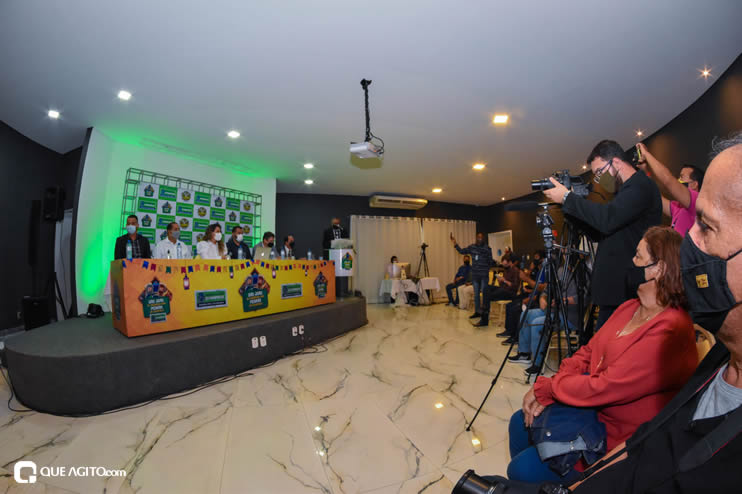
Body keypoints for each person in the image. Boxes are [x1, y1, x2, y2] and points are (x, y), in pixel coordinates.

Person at [565, 132, 742, 493]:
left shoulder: (670, 329)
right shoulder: (718, 361)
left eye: (706, 226)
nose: (688, 243)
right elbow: (650, 439)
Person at [505, 226, 697, 485]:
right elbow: (587, 352)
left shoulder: (672, 328)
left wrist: (550, 388)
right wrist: (556, 385)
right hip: (589, 414)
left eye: (638, 256)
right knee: (519, 423)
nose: (631, 262)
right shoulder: (629, 307)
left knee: (520, 470)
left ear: (658, 269)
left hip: (616, 441)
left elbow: (606, 386)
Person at [543, 139, 662, 331]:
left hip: (627, 290)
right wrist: (569, 209)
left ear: (616, 162)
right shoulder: (624, 193)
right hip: (615, 291)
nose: (599, 179)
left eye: (599, 172)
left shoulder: (640, 186)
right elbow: (600, 232)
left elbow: (607, 219)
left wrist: (567, 197)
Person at [508, 266, 580, 376]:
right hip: (554, 310)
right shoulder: (560, 270)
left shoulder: (582, 272)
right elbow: (547, 289)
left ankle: (538, 364)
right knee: (526, 314)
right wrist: (543, 297)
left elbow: (586, 297)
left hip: (569, 316)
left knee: (537, 323)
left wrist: (564, 301)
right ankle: (524, 353)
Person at [636, 142, 704, 236]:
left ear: (694, 184)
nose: (678, 180)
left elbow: (667, 180)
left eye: (682, 177)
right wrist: (645, 171)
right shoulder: (677, 208)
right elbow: (655, 196)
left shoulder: (698, 202)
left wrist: (646, 154)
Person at [451, 232, 493, 319]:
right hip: (475, 276)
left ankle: (485, 313)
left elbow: (490, 262)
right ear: (476, 238)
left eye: (481, 238)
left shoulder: (487, 248)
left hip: (484, 276)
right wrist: (455, 243)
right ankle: (477, 312)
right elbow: (462, 251)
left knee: (484, 295)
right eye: (478, 237)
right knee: (476, 295)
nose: (479, 239)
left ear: (483, 239)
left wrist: (485, 270)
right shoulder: (472, 247)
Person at [476, 253, 521, 327]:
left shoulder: (516, 270)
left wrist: (505, 281)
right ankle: (484, 312)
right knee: (486, 288)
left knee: (488, 296)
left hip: (510, 293)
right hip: (503, 290)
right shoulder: (506, 270)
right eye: (503, 265)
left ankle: (484, 316)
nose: (504, 266)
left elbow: (515, 287)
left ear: (510, 262)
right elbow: (502, 285)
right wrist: (500, 281)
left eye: (506, 265)